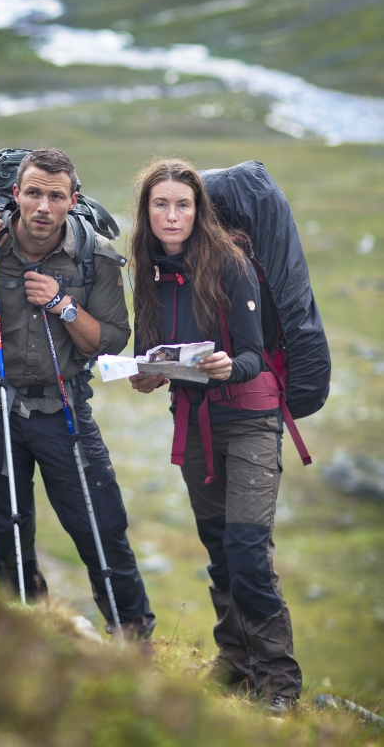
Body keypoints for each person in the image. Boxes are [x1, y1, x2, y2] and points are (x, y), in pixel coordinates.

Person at [0, 147, 155, 640]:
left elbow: (112, 340)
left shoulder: (93, 254)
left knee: (101, 523)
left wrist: (63, 306)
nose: (42, 207)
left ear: (71, 200)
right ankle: (27, 629)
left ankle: (134, 638)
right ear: (15, 195)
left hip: (64, 406)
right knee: (6, 525)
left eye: (55, 196)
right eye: (32, 193)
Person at [129, 158, 302, 709]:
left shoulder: (230, 264)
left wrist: (232, 366)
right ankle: (235, 663)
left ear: (198, 209)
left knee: (248, 551)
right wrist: (146, 374)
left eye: (183, 204)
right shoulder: (148, 267)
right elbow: (148, 350)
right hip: (194, 423)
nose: (172, 215)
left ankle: (279, 682)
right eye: (161, 204)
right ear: (147, 211)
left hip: (250, 418)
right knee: (219, 549)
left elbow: (254, 354)